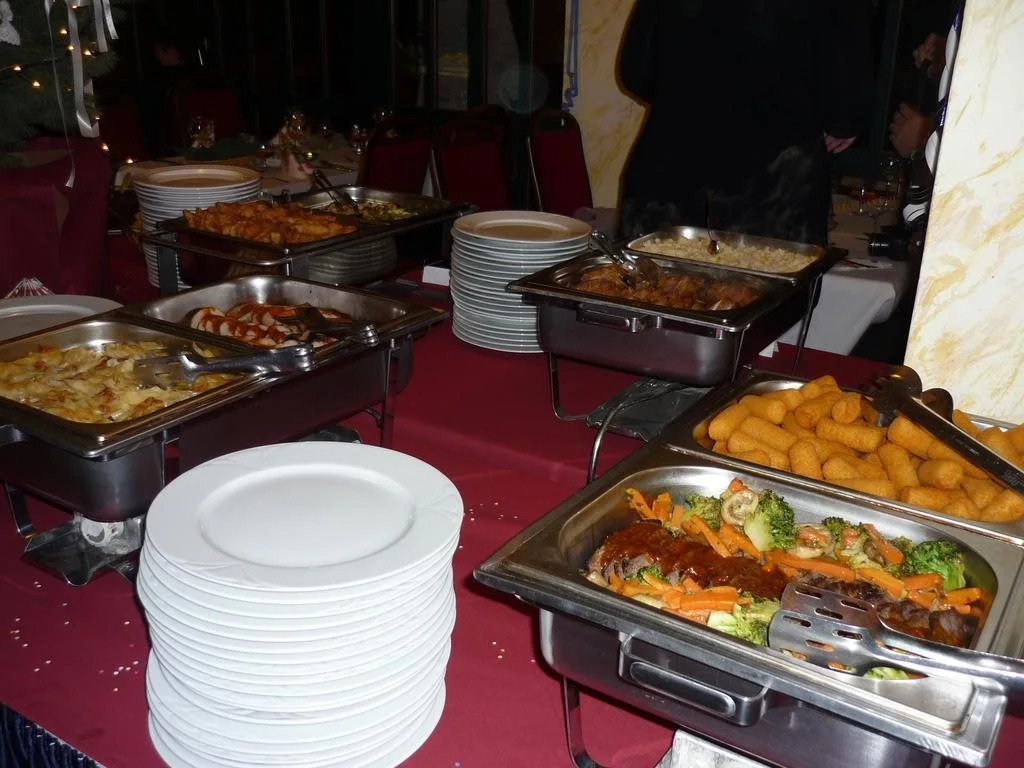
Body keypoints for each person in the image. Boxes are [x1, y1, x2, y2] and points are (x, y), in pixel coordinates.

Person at [617, 0, 873, 246]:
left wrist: (688, 101)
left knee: (655, 273)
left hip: (671, 164)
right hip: (773, 181)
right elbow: (846, 91)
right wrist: (844, 122)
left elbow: (636, 72)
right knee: (769, 275)